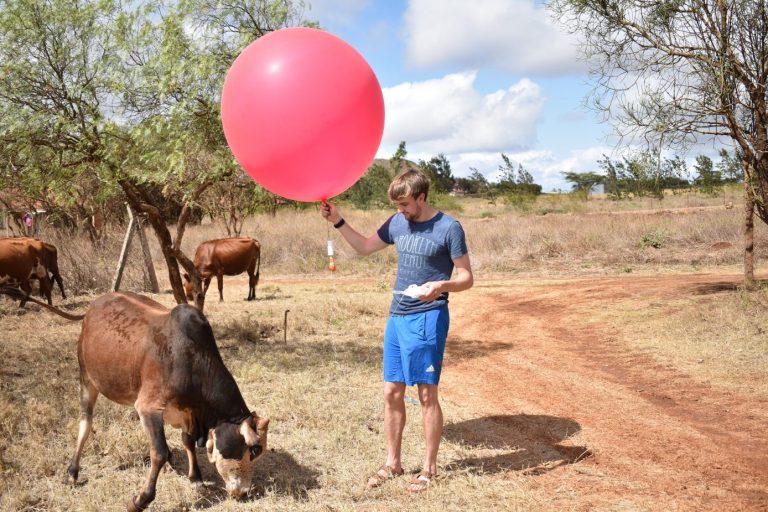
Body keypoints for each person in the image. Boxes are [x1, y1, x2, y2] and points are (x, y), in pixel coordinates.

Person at [320, 169, 473, 492]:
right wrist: (338, 220)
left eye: (404, 204)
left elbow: (466, 277)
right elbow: (363, 246)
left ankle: (429, 469)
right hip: (398, 315)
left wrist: (441, 285)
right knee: (391, 392)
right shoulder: (396, 223)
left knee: (426, 393)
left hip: (429, 315)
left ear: (421, 197)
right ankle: (393, 462)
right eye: (396, 204)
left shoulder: (449, 228)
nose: (400, 210)